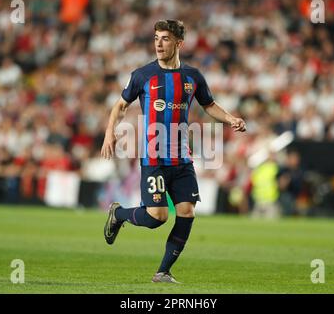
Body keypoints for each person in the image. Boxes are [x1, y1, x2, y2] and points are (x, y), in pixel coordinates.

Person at [101, 20, 246, 283]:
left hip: (182, 158)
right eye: (156, 37)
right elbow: (120, 107)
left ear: (179, 43)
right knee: (157, 217)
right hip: (154, 158)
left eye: (165, 38)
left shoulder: (193, 76)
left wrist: (231, 118)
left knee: (187, 212)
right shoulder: (143, 75)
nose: (158, 43)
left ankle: (163, 271)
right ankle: (119, 213)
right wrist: (110, 132)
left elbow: (209, 105)